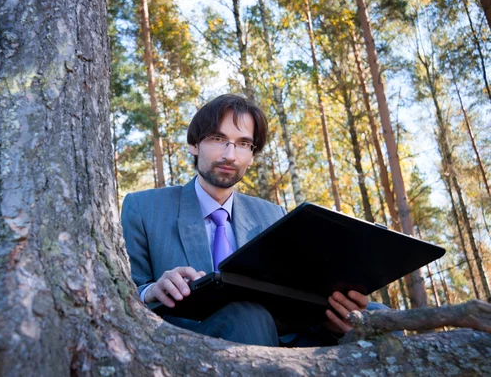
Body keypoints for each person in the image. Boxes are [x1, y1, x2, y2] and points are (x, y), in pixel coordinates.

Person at [121, 94, 374, 347]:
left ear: (252, 155)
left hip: (279, 342)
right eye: (218, 139)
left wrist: (332, 320)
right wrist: (151, 291)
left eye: (243, 144)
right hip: (186, 344)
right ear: (194, 145)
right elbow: (124, 292)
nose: (230, 155)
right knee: (248, 316)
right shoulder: (144, 208)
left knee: (378, 315)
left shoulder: (272, 214)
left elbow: (290, 300)